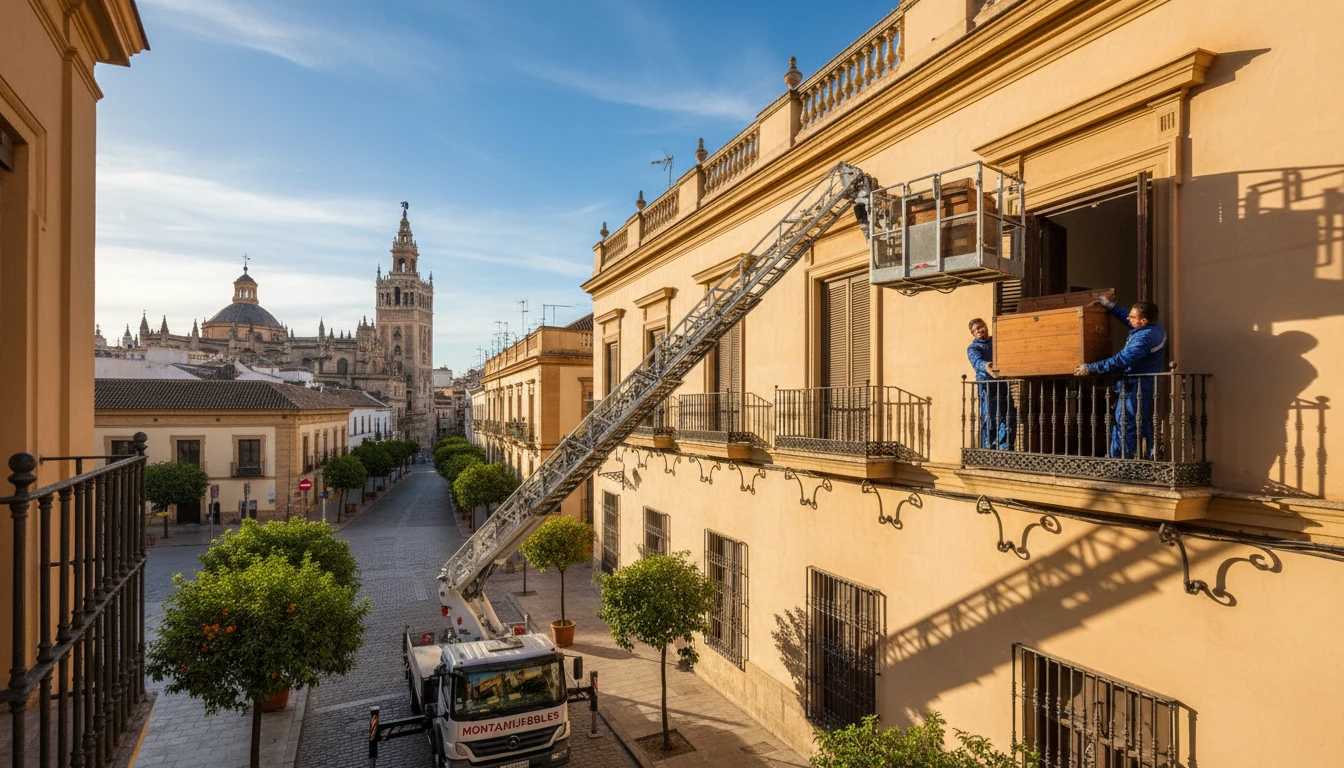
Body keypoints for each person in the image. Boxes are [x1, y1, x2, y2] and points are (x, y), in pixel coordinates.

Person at [1074, 298, 1166, 459]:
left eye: (1132, 317)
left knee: (1125, 425)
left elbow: (1121, 360)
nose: (1128, 318)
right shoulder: (1154, 328)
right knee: (1139, 422)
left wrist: (1090, 368)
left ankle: (1121, 463)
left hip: (1134, 387)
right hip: (1140, 386)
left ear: (1143, 321)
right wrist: (1111, 306)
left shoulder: (1143, 339)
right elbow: (1127, 317)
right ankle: (1144, 457)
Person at [967, 318, 1015, 450]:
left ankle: (1005, 448)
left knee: (1008, 416)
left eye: (980, 327)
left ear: (985, 327)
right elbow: (977, 361)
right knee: (990, 418)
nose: (979, 330)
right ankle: (989, 449)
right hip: (987, 386)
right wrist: (986, 366)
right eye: (975, 330)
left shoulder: (996, 342)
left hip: (1002, 383)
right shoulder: (974, 348)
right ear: (973, 333)